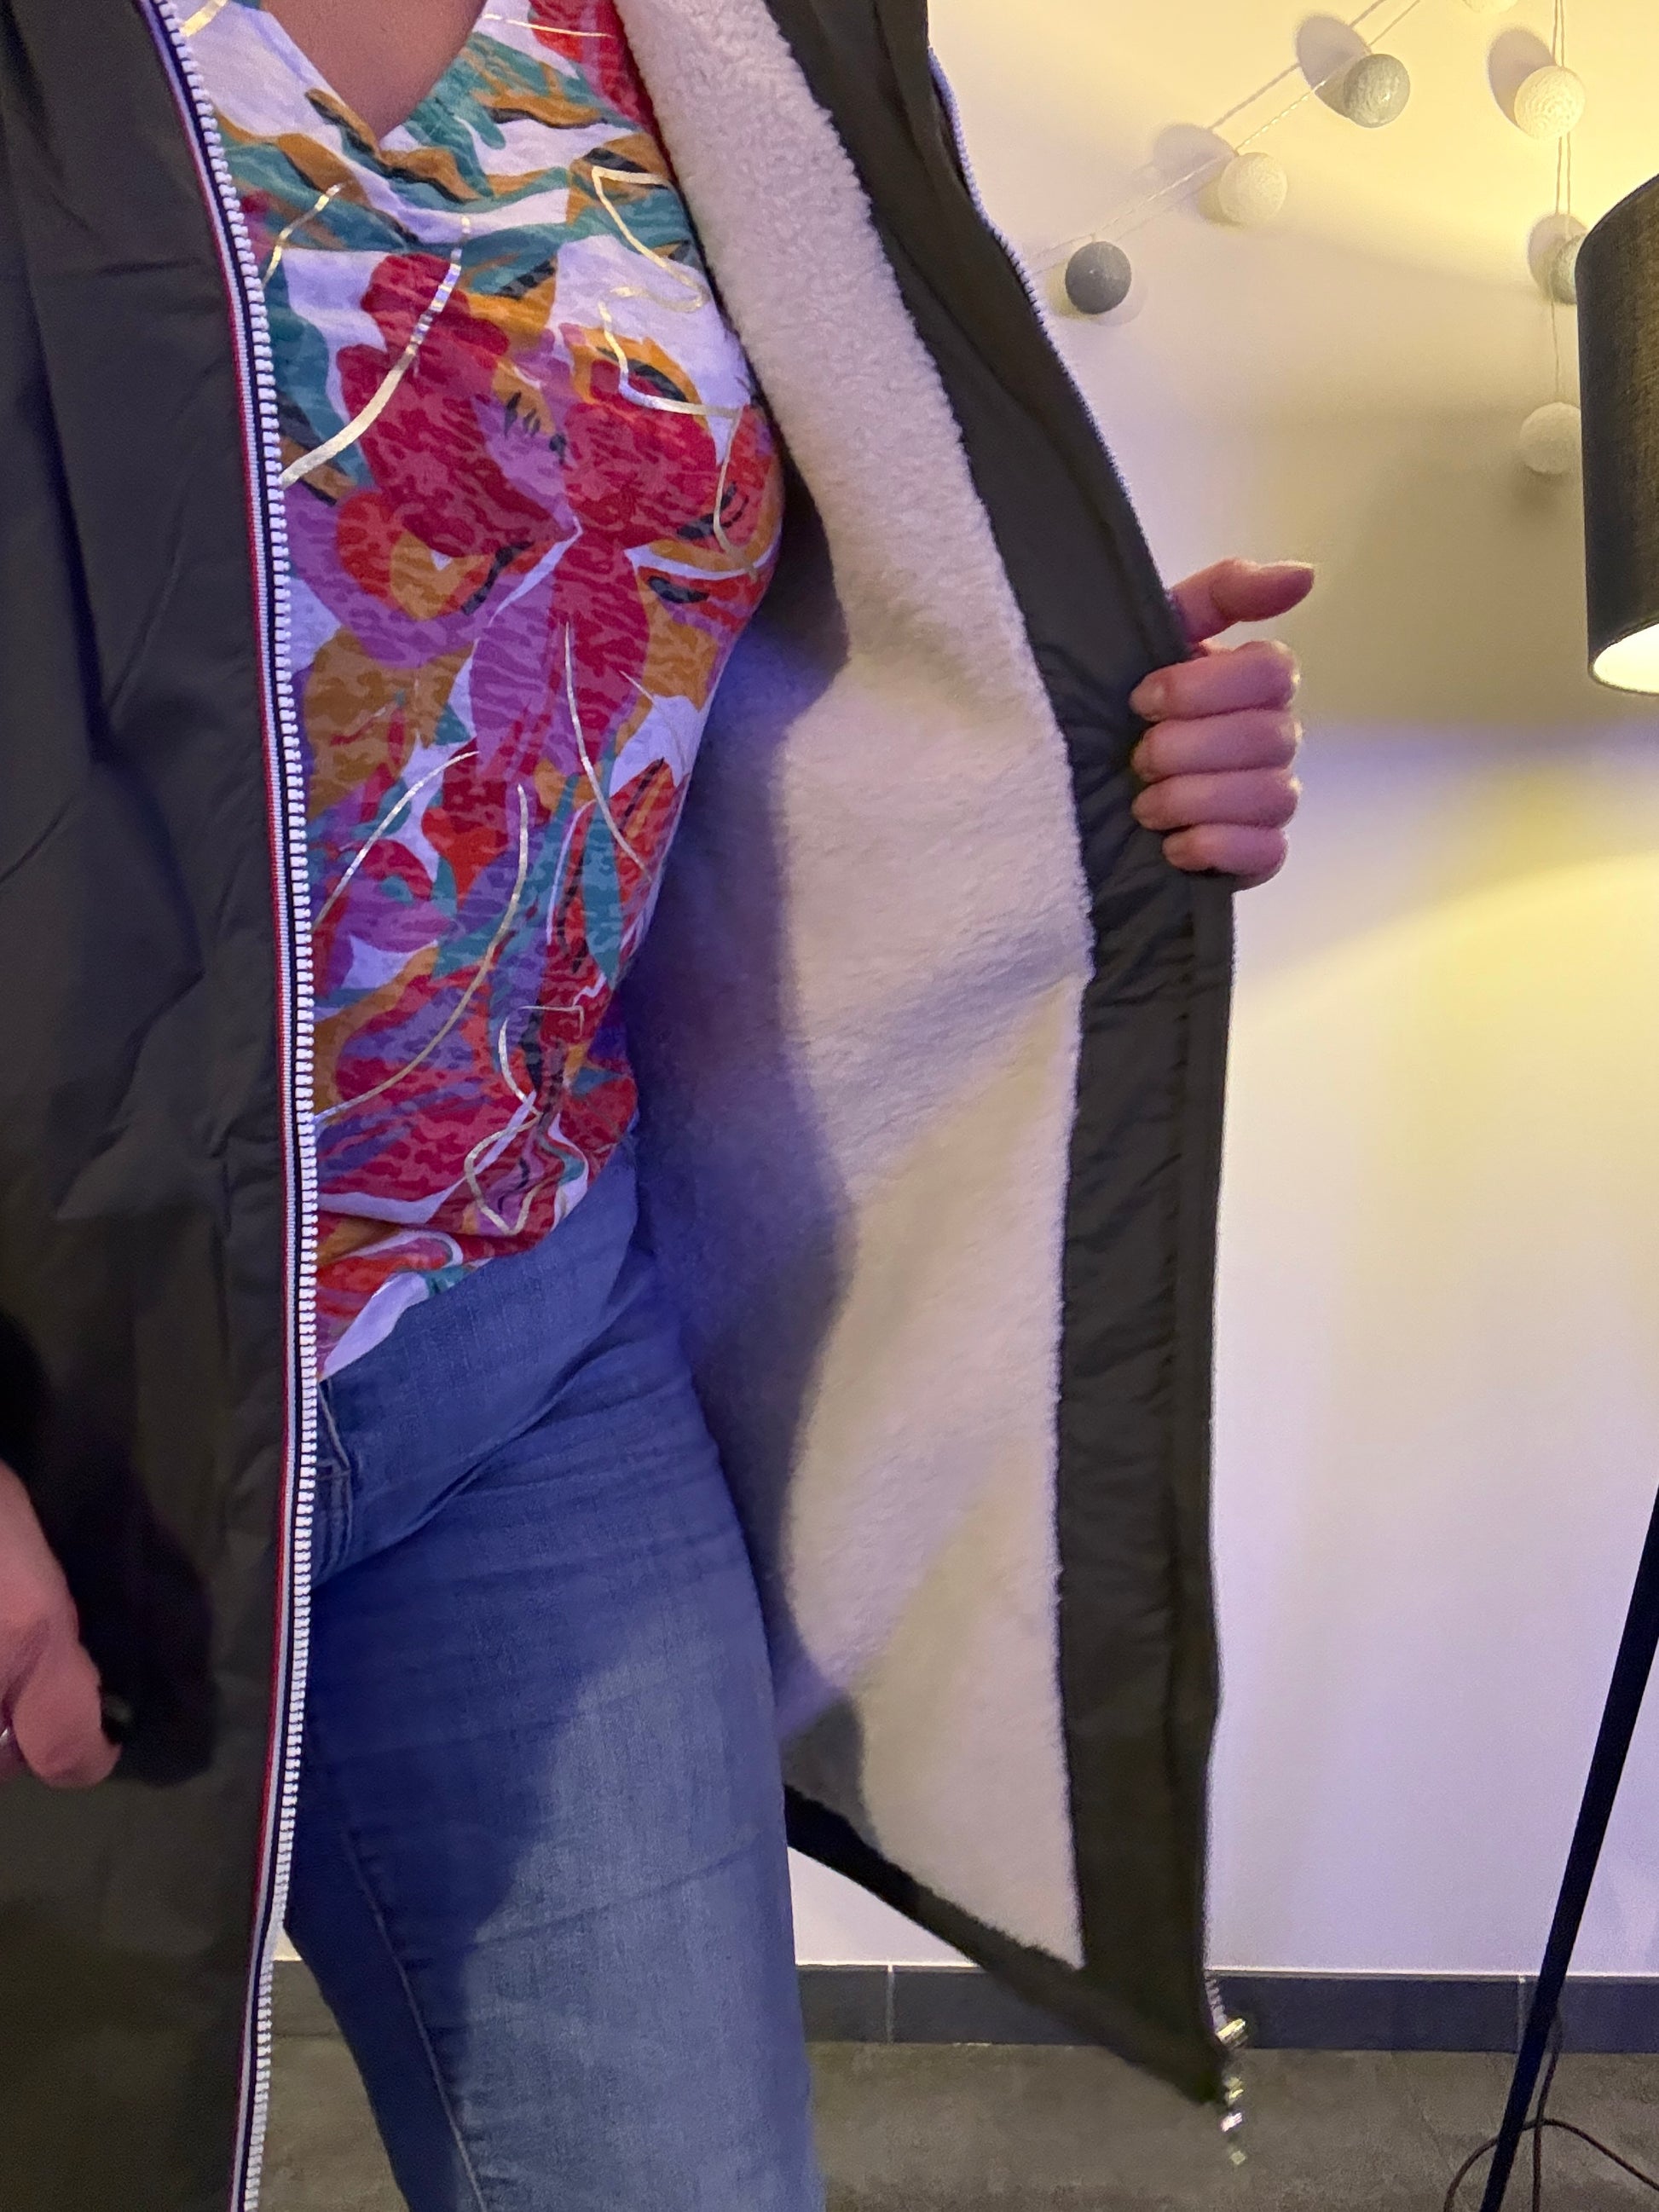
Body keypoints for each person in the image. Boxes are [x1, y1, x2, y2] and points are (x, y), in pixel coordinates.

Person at [0, 0, 1309, 2206]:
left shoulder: (720, 37)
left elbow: (725, 620)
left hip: (523, 1362)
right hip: (67, 1387)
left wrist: (1062, 743)